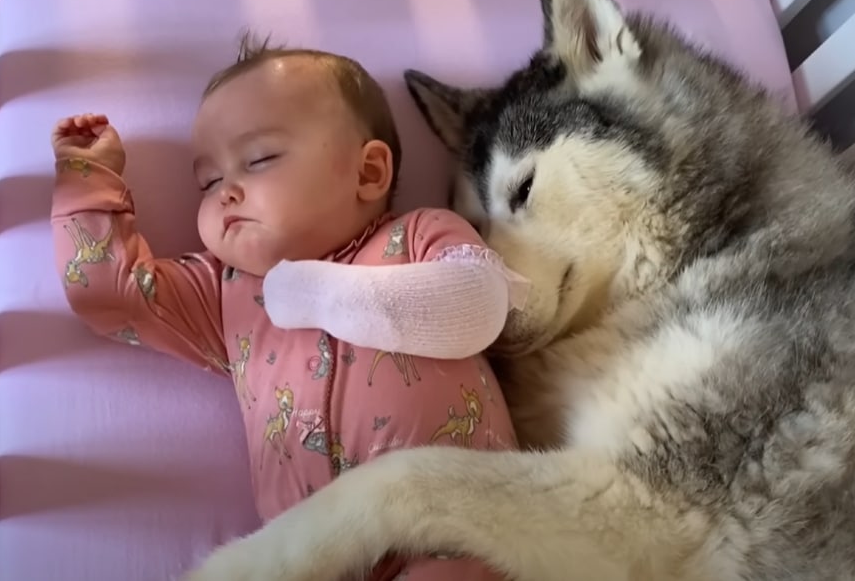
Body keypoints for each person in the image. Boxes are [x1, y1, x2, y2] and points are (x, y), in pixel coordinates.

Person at [49, 34, 528, 580]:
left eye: (259, 159)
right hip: (310, 553)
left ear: (369, 173)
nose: (225, 192)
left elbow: (478, 306)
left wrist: (312, 294)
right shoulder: (225, 293)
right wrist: (88, 180)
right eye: (208, 182)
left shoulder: (417, 235)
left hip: (449, 524)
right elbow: (107, 293)